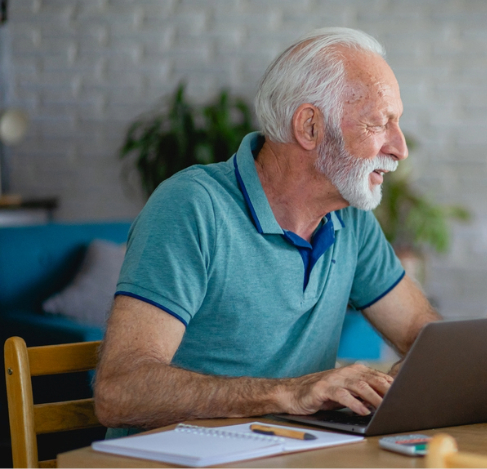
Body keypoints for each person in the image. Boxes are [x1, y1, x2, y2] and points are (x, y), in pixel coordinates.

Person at [94, 28, 441, 437]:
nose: (399, 148)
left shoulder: (351, 219)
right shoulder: (192, 207)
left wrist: (408, 378)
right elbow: (118, 391)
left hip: (293, 452)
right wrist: (287, 393)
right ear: (310, 126)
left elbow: (424, 331)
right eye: (379, 124)